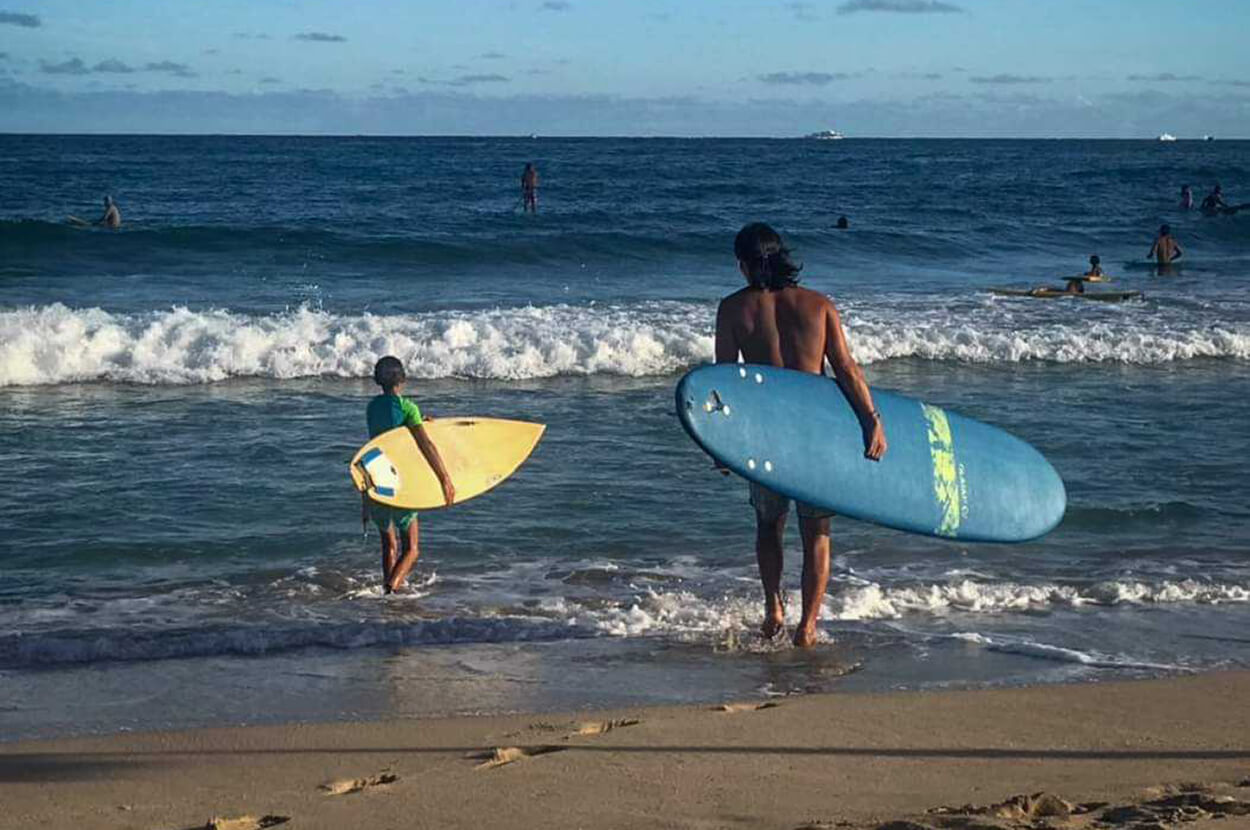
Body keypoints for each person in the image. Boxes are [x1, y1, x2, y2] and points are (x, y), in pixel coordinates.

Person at [714, 222, 887, 648]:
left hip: (766, 434)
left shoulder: (733, 309)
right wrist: (871, 419)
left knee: (768, 526)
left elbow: (726, 380)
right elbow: (846, 369)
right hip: (817, 436)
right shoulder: (818, 305)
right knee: (817, 533)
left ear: (742, 264)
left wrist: (719, 441)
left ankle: (773, 607)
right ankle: (807, 626)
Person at [363, 356, 455, 594]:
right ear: (402, 379)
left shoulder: (372, 407)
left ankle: (386, 593)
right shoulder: (408, 408)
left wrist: (418, 422)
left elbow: (389, 433)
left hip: (377, 479)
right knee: (412, 548)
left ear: (377, 380)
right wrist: (444, 478)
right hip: (399, 483)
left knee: (388, 545)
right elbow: (426, 445)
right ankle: (390, 590)